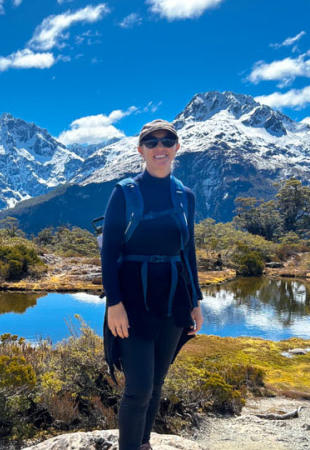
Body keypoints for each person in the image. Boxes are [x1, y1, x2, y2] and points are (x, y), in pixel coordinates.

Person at [101, 119, 204, 450]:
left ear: (177, 147)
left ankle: (143, 444)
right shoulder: (124, 192)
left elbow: (187, 250)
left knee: (158, 382)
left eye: (167, 141)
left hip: (174, 299)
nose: (160, 147)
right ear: (141, 150)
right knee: (139, 388)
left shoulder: (184, 195)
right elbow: (110, 251)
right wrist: (113, 304)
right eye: (152, 142)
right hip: (132, 300)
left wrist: (196, 302)